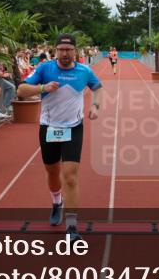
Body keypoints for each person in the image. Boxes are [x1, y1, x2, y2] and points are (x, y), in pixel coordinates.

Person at [16, 33, 102, 242]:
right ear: (56, 51)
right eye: (61, 50)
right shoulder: (45, 69)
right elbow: (21, 90)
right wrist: (43, 87)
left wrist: (96, 106)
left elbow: (98, 88)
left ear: (75, 51)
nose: (65, 53)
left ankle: (72, 228)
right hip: (50, 128)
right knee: (53, 172)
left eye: (69, 50)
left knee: (70, 177)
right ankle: (57, 201)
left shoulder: (84, 71)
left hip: (73, 128)